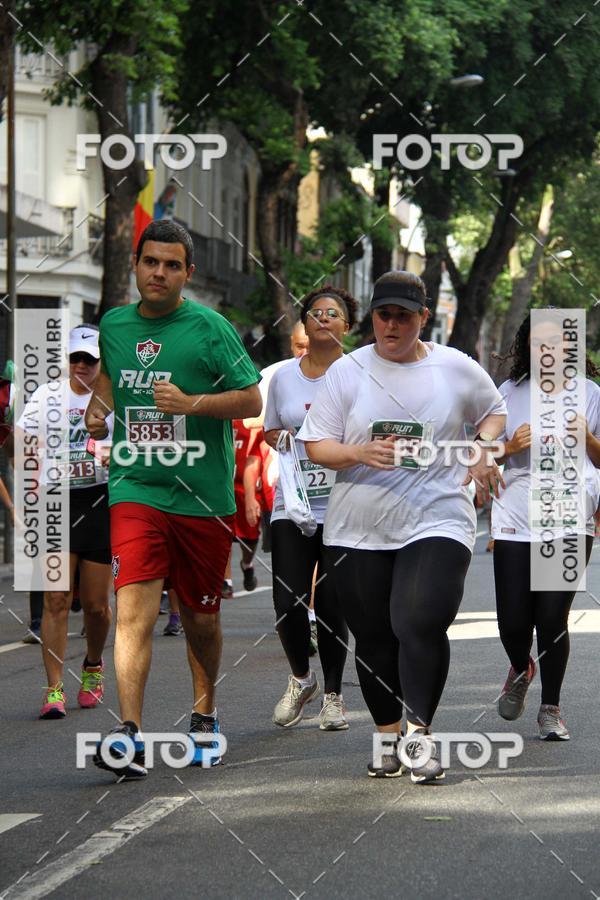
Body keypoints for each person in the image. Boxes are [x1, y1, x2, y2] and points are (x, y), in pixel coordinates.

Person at [299, 270, 506, 782]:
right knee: (372, 638)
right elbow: (315, 444)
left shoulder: (454, 367)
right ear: (372, 317)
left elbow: (494, 413)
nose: (391, 325)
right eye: (382, 315)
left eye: (403, 316)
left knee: (418, 620)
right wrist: (358, 452)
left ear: (423, 319)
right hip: (358, 526)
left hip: (438, 516)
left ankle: (420, 736)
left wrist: (481, 451)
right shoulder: (347, 372)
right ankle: (388, 736)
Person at [86, 219, 261, 778]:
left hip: (202, 496)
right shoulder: (113, 324)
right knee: (133, 609)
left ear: (188, 272)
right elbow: (112, 377)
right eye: (149, 262)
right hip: (136, 486)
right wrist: (100, 405)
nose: (158, 272)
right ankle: (130, 731)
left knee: (199, 617)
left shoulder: (210, 328)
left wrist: (190, 405)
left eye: (170, 264)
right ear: (136, 265)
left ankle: (204, 714)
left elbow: (251, 399)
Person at [491, 312, 600, 740]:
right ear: (527, 348)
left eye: (557, 342)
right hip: (517, 518)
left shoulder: (589, 394)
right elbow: (483, 453)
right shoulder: (507, 393)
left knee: (552, 617)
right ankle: (521, 666)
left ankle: (550, 709)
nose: (549, 349)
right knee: (512, 623)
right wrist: (508, 446)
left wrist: (588, 439)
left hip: (569, 517)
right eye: (540, 342)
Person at [265, 286, 356, 731]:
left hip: (343, 503)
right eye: (315, 313)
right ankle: (302, 678)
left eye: (332, 313)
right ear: (304, 324)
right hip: (293, 503)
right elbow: (270, 429)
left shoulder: (358, 373)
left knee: (335, 602)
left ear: (347, 325)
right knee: (287, 601)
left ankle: (335, 697)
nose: (323, 319)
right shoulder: (283, 377)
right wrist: (280, 439)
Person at [16, 325, 114, 718]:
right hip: (57, 502)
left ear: (99, 362)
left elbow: (135, 442)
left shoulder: (111, 396)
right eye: (74, 358)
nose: (81, 365)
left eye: (88, 359)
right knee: (55, 599)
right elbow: (23, 438)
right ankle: (53, 688)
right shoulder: (46, 395)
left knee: (95, 605)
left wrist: (116, 454)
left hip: (100, 500)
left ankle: (92, 666)